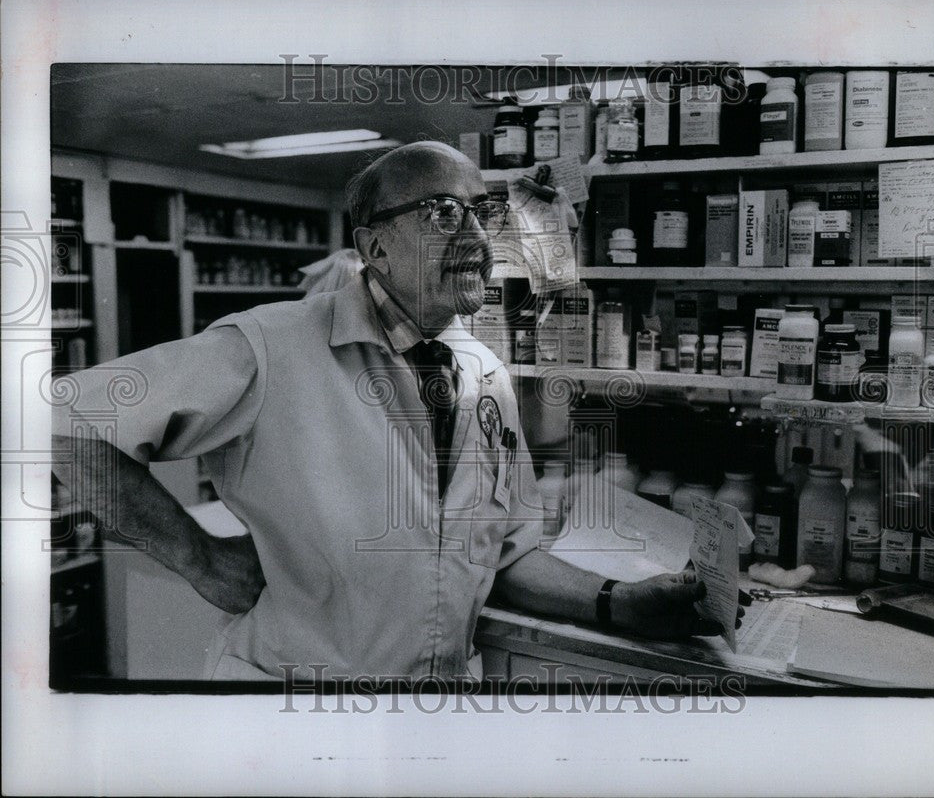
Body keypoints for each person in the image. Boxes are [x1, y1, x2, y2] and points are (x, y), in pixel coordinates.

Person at [51, 141, 736, 681]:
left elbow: (505, 553)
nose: (478, 235)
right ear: (373, 246)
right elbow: (66, 422)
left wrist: (616, 600)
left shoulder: (485, 373)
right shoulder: (270, 345)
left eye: (485, 212)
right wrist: (198, 557)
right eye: (444, 212)